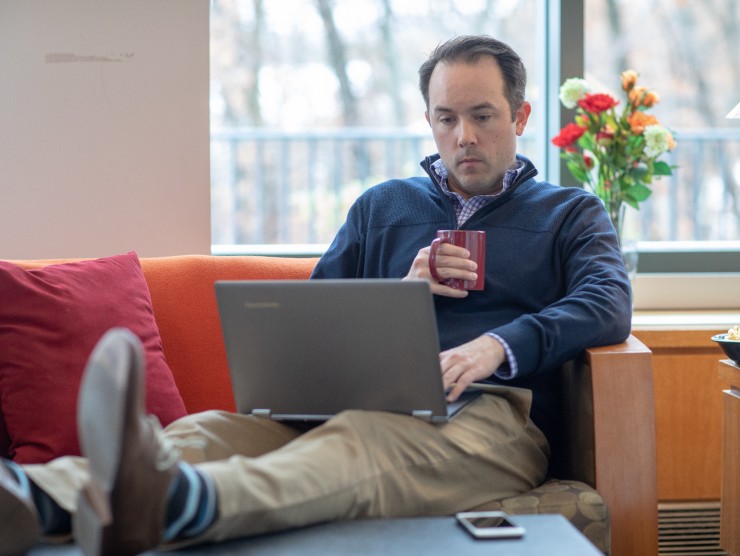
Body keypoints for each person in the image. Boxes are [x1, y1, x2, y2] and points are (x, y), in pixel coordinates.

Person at [0, 35, 631, 556]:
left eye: (483, 116)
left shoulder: (569, 213)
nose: (463, 135)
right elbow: (320, 311)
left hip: (489, 415)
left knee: (356, 446)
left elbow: (608, 301)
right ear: (430, 121)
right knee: (203, 432)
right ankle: (34, 495)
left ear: (519, 117)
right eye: (447, 117)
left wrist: (497, 346)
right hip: (351, 400)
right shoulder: (382, 206)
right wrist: (401, 294)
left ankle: (174, 505)